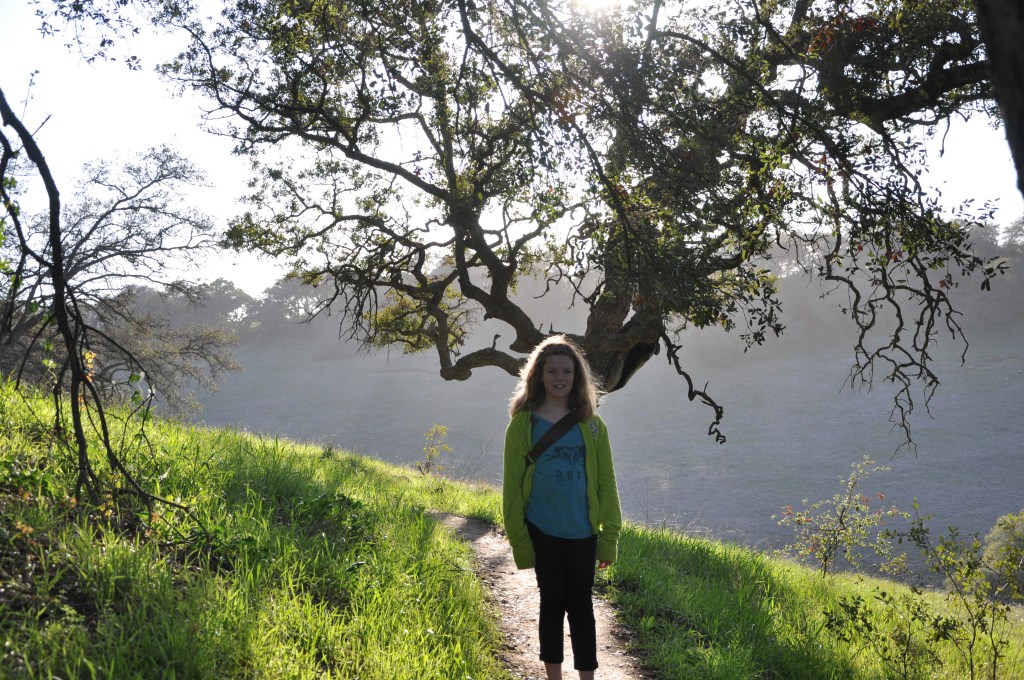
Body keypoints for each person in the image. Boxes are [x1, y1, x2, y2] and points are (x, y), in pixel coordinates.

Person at [502, 334, 622, 680]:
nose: (559, 378)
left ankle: (587, 676)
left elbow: (606, 483)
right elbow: (512, 488)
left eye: (566, 371)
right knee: (552, 604)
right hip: (542, 528)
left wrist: (609, 538)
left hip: (583, 531)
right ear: (539, 375)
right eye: (552, 371)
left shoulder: (593, 426)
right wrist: (519, 541)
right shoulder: (523, 424)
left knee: (582, 606)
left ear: (577, 376)